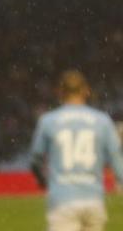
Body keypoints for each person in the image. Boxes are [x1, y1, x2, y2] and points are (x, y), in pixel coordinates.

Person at [30, 70, 123, 231]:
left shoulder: (48, 121)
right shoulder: (102, 120)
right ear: (86, 90)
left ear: (59, 92)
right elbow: (116, 159)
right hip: (93, 200)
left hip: (63, 200)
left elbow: (35, 158)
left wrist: (42, 180)